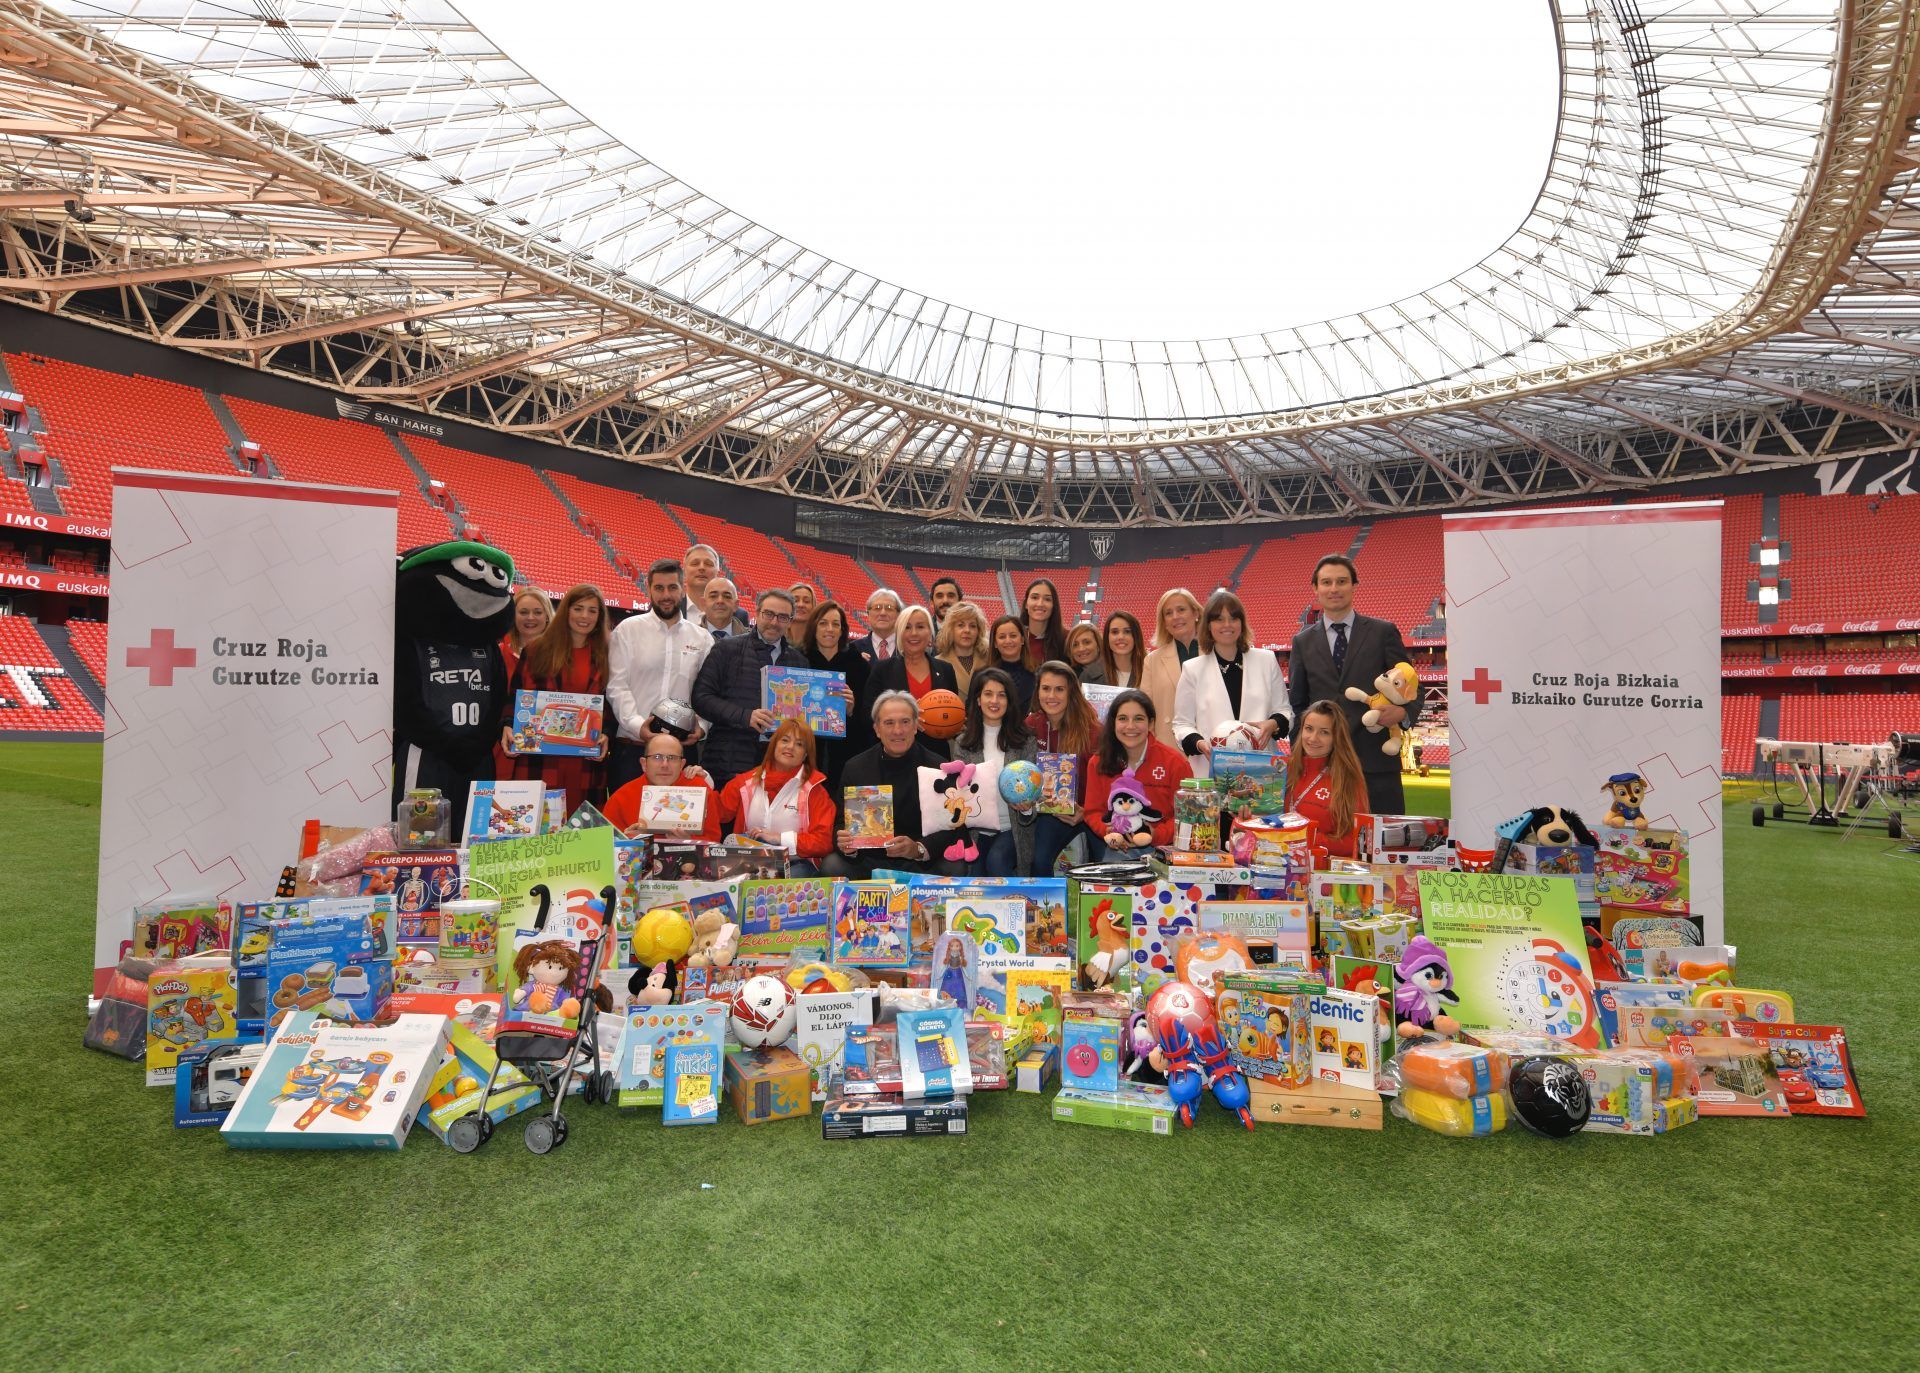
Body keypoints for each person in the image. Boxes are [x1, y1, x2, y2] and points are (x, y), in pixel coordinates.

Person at [1287, 553, 1420, 813]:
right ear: (1315, 588)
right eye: (1326, 582)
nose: (1334, 589)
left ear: (1354, 586)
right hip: (1322, 765)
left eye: (1342, 581)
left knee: (1380, 836)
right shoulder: (1302, 642)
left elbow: (1413, 686)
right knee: (1322, 834)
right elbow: (1298, 704)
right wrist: (1301, 755)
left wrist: (1403, 713)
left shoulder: (1383, 632)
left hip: (1376, 764)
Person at [826, 692, 966, 877]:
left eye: (905, 722)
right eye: (889, 723)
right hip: (869, 860)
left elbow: (953, 825)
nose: (898, 730)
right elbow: (841, 823)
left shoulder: (938, 768)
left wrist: (918, 849)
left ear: (916, 726)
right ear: (877, 729)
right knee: (832, 866)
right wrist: (846, 844)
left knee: (955, 867)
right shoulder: (855, 768)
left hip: (919, 861)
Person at [500, 584, 611, 812]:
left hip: (584, 761)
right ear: (565, 611)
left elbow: (609, 703)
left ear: (600, 616)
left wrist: (607, 732)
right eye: (578, 608)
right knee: (537, 823)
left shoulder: (606, 655)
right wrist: (508, 725)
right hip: (540, 759)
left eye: (592, 610)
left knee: (581, 827)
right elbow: (515, 698)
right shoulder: (536, 650)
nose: (584, 616)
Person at [606, 558, 712, 793]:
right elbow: (616, 686)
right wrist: (638, 727)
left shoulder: (702, 639)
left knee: (680, 816)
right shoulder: (627, 630)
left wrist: (702, 727)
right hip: (633, 748)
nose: (666, 595)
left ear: (682, 589)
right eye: (659, 588)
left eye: (672, 587)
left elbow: (708, 693)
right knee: (628, 816)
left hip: (681, 753)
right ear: (649, 589)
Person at [1172, 589, 1288, 780]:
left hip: (1261, 773)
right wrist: (1200, 744)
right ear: (1208, 625)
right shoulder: (1192, 669)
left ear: (1242, 623)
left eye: (1233, 618)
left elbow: (1284, 710)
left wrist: (1273, 723)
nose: (1227, 625)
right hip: (1212, 772)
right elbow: (1182, 724)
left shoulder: (1266, 660)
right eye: (1219, 619)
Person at [690, 587, 799, 789]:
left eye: (783, 617)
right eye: (768, 614)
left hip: (777, 766)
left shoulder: (799, 661)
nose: (774, 622)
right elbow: (701, 698)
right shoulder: (726, 649)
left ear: (790, 621)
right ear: (757, 613)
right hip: (727, 762)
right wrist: (745, 716)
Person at [717, 719, 836, 876]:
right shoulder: (745, 782)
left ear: (805, 754)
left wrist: (779, 838)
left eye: (799, 744)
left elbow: (823, 842)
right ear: (774, 745)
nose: (790, 747)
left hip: (796, 864)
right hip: (749, 864)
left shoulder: (815, 790)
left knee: (783, 883)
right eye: (785, 740)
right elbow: (719, 813)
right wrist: (703, 781)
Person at [1084, 689, 1191, 861]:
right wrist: (1109, 832)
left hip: (1166, 849)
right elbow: (1093, 812)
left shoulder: (1175, 763)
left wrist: (1155, 834)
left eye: (1138, 719)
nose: (1130, 726)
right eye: (1123, 718)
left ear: (1151, 724)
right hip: (1120, 850)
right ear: (1113, 723)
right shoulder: (1098, 763)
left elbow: (1186, 817)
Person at [950, 667, 1037, 877]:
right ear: (978, 700)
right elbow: (958, 792)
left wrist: (1026, 809)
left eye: (1001, 695)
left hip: (1012, 829)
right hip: (976, 831)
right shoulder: (963, 743)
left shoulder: (1025, 741)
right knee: (974, 878)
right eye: (988, 694)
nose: (994, 701)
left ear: (1009, 701)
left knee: (997, 861)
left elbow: (1035, 792)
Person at [1026, 660, 1100, 876]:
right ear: (1038, 691)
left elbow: (1108, 782)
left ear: (1071, 693)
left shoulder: (1093, 731)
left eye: (1060, 689)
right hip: (1051, 813)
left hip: (1089, 812)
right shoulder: (1031, 725)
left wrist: (1087, 812)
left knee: (1104, 861)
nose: (1051, 696)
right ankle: (1046, 899)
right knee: (1040, 862)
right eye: (1046, 688)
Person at [860, 604, 958, 753]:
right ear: (899, 633)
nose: (914, 633)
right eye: (907, 627)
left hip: (936, 753)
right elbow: (867, 715)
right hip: (893, 753)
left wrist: (954, 722)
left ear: (930, 633)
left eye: (920, 627)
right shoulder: (882, 669)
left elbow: (953, 713)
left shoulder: (946, 669)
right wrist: (905, 718)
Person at [800, 599, 869, 795]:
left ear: (842, 630)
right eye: (823, 623)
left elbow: (869, 717)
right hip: (806, 754)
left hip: (847, 755)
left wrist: (851, 710)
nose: (829, 629)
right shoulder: (799, 661)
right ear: (814, 627)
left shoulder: (859, 665)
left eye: (835, 624)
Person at [1286, 699, 1369, 859]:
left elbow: (1358, 841)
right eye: (1309, 729)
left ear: (1336, 737)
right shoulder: (1282, 770)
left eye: (1324, 732)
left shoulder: (1347, 779)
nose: (1313, 738)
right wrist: (1249, 819)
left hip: (1320, 870)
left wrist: (1308, 839)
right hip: (1275, 866)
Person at [602, 731, 721, 841]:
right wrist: (629, 841)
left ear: (682, 764)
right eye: (657, 757)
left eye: (672, 758)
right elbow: (606, 844)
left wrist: (690, 840)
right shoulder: (621, 798)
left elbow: (714, 840)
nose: (665, 765)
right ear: (644, 764)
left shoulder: (699, 790)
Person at [1141, 587, 1203, 750]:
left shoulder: (1215, 653)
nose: (1175, 617)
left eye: (1181, 609)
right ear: (1164, 623)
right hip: (1169, 749)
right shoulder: (1152, 661)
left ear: (1196, 613)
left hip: (1210, 747)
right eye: (1168, 613)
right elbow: (1145, 711)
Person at [936, 600, 990, 700]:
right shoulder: (937, 663)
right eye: (961, 625)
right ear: (951, 629)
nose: (967, 630)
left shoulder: (990, 660)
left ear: (979, 631)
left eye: (972, 626)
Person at [684, 543, 746, 628]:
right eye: (695, 563)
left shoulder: (739, 615)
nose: (701, 567)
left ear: (718, 572)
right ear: (684, 571)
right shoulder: (670, 609)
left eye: (708, 564)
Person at [988, 614, 1035, 714]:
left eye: (1013, 636)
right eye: (1002, 637)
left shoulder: (1038, 675)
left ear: (1022, 640)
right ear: (995, 643)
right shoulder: (982, 676)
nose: (1008, 641)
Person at [500, 589, 552, 679]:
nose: (530, 618)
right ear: (513, 615)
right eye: (523, 612)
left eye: (538, 612)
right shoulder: (499, 652)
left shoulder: (560, 654)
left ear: (547, 616)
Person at [1018, 577, 1069, 669]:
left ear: (1054, 606)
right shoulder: (1015, 638)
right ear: (1026, 604)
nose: (1040, 604)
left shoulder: (1067, 639)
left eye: (1047, 599)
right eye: (1034, 597)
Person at [1099, 610, 1146, 690]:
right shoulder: (1089, 674)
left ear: (1136, 636)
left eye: (1127, 631)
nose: (1121, 637)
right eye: (1115, 632)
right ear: (1107, 637)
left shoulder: (1152, 670)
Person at [851, 588, 902, 662]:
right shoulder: (853, 649)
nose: (883, 613)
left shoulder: (909, 649)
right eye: (877, 608)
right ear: (868, 614)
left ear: (899, 614)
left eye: (889, 608)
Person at [786, 582, 817, 648]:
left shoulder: (820, 643)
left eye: (806, 601)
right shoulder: (774, 638)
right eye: (795, 600)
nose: (801, 605)